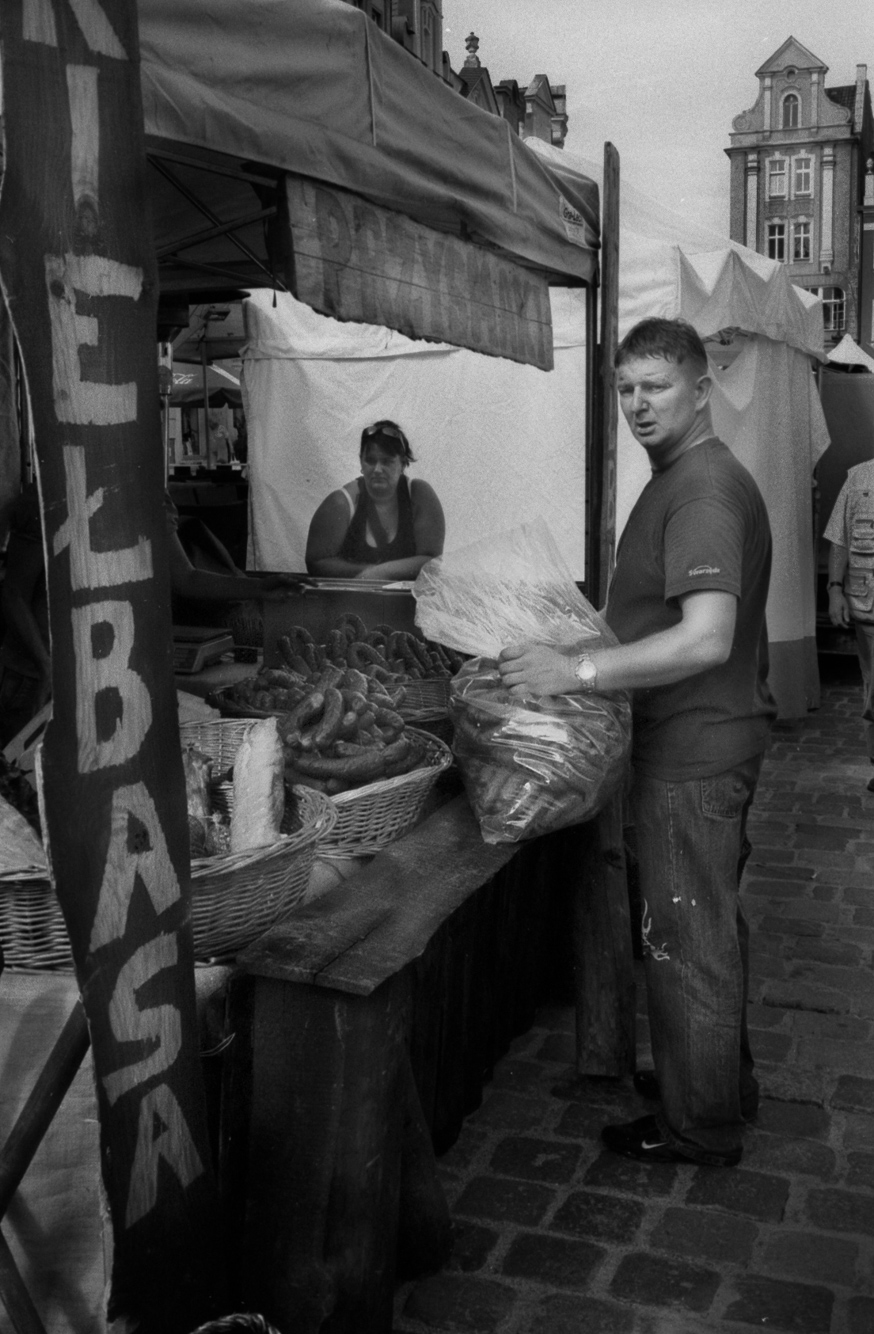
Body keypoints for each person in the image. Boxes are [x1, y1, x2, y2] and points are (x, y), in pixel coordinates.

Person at [498, 318, 776, 1168]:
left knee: (684, 937)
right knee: (704, 927)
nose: (636, 403)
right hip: (693, 745)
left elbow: (704, 639)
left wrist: (573, 677)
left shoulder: (699, 490)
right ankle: (714, 1082)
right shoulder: (681, 478)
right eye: (625, 387)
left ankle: (700, 1128)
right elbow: (655, 619)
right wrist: (583, 644)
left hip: (692, 754)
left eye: (655, 386)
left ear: (700, 390)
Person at [0, 484, 299, 747]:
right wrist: (45, 665)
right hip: (38, 678)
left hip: (106, 675)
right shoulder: (51, 491)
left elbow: (186, 578)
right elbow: (14, 593)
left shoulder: (148, 493)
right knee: (26, 786)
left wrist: (259, 588)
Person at [305, 420, 445, 580]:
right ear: (361, 462)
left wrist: (378, 573)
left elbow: (432, 562)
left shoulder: (419, 495)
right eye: (370, 460)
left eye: (387, 461)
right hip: (352, 602)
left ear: (403, 463)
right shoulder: (340, 503)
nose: (377, 469)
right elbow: (316, 562)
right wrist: (375, 573)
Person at [823, 460, 874, 786]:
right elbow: (839, 539)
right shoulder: (858, 478)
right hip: (869, 610)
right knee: (873, 690)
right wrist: (834, 589)